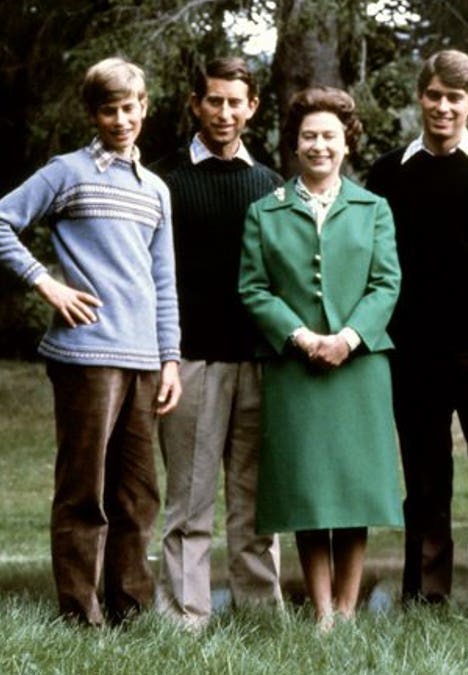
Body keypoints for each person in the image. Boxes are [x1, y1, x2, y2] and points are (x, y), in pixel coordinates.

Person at [0, 57, 181, 627]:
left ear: (145, 108)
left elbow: (163, 281)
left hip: (143, 359)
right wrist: (46, 283)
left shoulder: (156, 190)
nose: (121, 119)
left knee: (138, 497)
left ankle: (131, 615)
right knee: (84, 492)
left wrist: (170, 359)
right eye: (109, 109)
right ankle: (79, 620)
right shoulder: (67, 172)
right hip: (86, 355)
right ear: (93, 113)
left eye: (130, 107)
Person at [365, 49, 468, 607]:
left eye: (455, 98)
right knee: (426, 481)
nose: (443, 107)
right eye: (434, 95)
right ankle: (426, 597)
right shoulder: (389, 173)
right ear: (421, 97)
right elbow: (373, 257)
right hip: (412, 352)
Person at [237, 86, 402, 630]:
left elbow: (386, 283)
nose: (319, 145)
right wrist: (304, 339)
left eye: (330, 135)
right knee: (309, 493)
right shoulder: (265, 211)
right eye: (309, 135)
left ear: (347, 142)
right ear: (294, 143)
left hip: (359, 367)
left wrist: (347, 338)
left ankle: (349, 611)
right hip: (295, 368)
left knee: (354, 491)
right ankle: (323, 612)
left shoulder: (373, 208)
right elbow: (254, 289)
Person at [151, 56, 283, 630]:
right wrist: (166, 357)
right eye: (214, 100)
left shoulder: (273, 186)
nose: (224, 112)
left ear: (252, 107)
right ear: (195, 104)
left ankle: (261, 617)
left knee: (256, 506)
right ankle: (186, 620)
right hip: (193, 362)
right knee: (190, 503)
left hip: (260, 363)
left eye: (236, 102)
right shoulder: (164, 182)